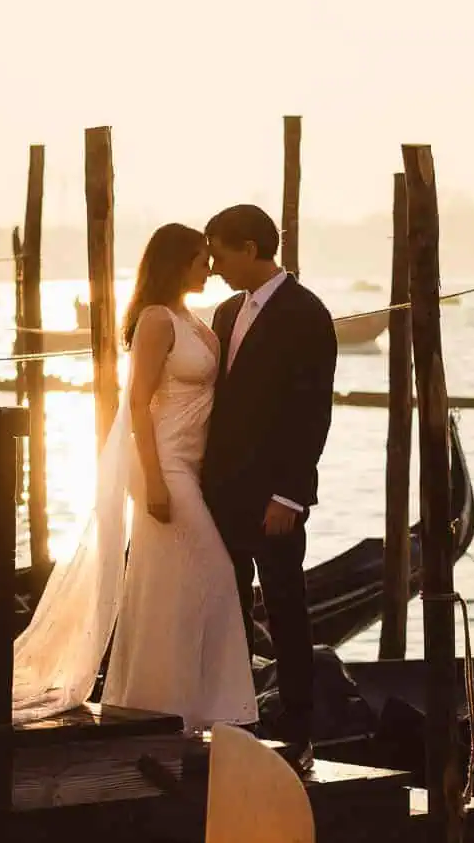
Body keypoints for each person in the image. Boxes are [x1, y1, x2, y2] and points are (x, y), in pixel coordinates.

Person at [99, 224, 259, 731]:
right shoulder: (155, 320)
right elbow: (138, 404)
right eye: (200, 259)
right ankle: (197, 712)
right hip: (164, 467)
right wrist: (154, 481)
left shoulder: (196, 320)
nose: (209, 267)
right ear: (175, 263)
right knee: (214, 576)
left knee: (178, 588)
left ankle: (179, 710)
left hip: (193, 468)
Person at [201, 205, 338, 773]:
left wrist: (290, 495)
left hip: (274, 497)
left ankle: (300, 730)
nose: (213, 266)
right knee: (226, 607)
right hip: (220, 490)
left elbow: (312, 412)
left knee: (285, 610)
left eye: (220, 253)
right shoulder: (227, 310)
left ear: (251, 249)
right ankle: (236, 718)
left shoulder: (307, 314)